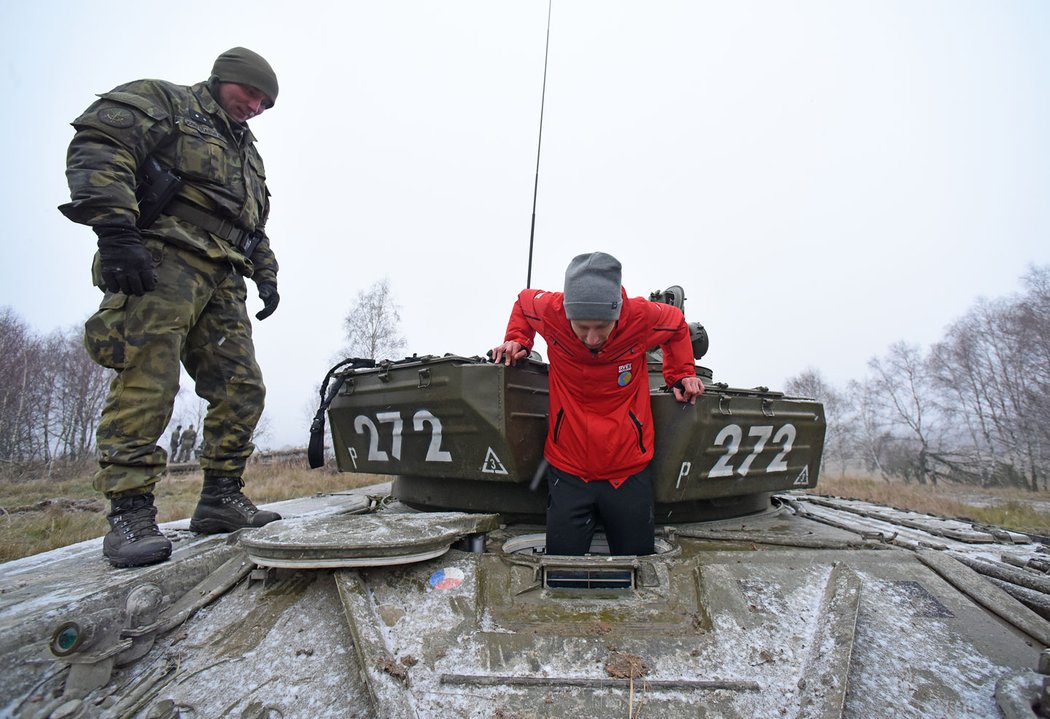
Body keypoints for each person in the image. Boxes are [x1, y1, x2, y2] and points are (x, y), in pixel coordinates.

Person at [59, 47, 283, 568]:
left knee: (242, 387)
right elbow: (101, 145)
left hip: (225, 274)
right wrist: (115, 230)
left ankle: (221, 498)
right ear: (224, 78)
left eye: (264, 103)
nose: (254, 106)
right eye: (249, 93)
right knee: (148, 380)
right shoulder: (166, 103)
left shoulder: (249, 153)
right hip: (162, 258)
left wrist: (267, 275)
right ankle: (130, 510)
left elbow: (252, 223)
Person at [491, 252, 704, 556]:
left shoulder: (640, 316)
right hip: (569, 469)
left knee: (638, 566)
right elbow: (524, 302)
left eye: (601, 327)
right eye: (582, 327)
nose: (591, 338)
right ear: (566, 313)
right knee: (561, 569)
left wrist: (681, 373)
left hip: (628, 469)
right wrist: (518, 340)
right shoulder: (550, 311)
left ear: (618, 312)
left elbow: (677, 325)